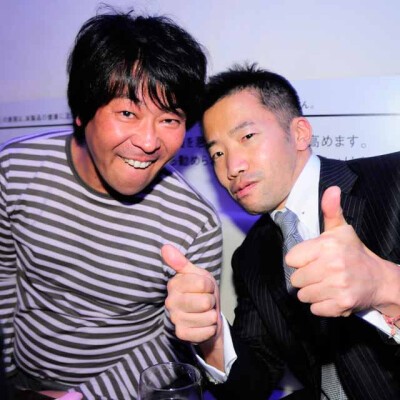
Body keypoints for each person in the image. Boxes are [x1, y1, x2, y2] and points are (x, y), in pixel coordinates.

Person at [0, 8, 223, 400]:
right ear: (82, 112)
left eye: (169, 120)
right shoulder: (14, 171)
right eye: (127, 113)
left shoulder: (195, 223)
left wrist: (79, 398)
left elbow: (175, 342)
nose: (149, 141)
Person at [163, 64, 400, 399]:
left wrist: (386, 285)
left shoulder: (392, 181)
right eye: (217, 153)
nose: (232, 167)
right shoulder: (251, 256)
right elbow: (253, 385)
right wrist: (211, 335)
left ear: (300, 133)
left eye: (247, 137)